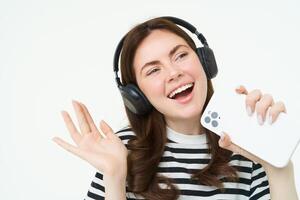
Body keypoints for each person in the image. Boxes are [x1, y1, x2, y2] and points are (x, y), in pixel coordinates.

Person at [53, 16, 298, 200]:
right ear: (136, 95)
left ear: (205, 62)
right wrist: (115, 178)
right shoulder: (119, 152)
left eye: (180, 56)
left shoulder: (247, 142)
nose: (174, 73)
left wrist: (278, 165)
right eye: (153, 70)